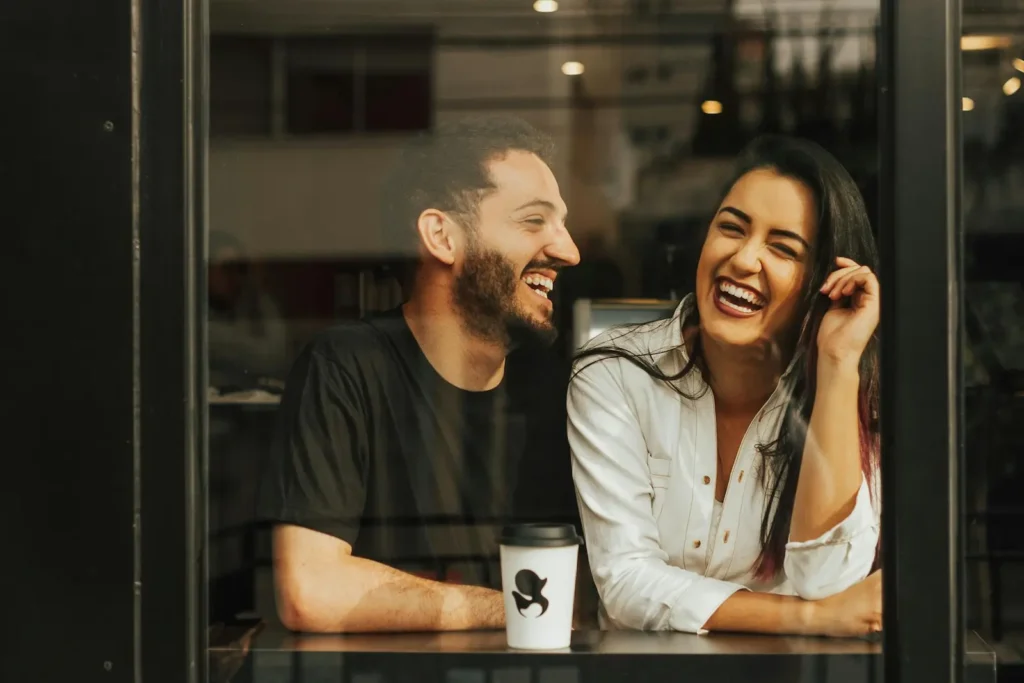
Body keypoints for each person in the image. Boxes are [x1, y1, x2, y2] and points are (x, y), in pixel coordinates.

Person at [257, 116, 581, 633]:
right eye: (534, 221)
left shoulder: (555, 390)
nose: (569, 250)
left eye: (562, 223)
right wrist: (513, 610)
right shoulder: (348, 365)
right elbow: (311, 588)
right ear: (442, 236)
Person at [568, 136, 882, 637]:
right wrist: (808, 618)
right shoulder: (615, 372)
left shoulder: (850, 395)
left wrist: (839, 363)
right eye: (731, 228)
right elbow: (625, 581)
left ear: (824, 282)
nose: (743, 259)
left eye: (783, 248)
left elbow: (827, 580)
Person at [208, 231, 289, 388]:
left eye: (241, 268)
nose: (235, 276)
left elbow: (273, 357)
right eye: (227, 268)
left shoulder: (253, 302)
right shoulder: (190, 306)